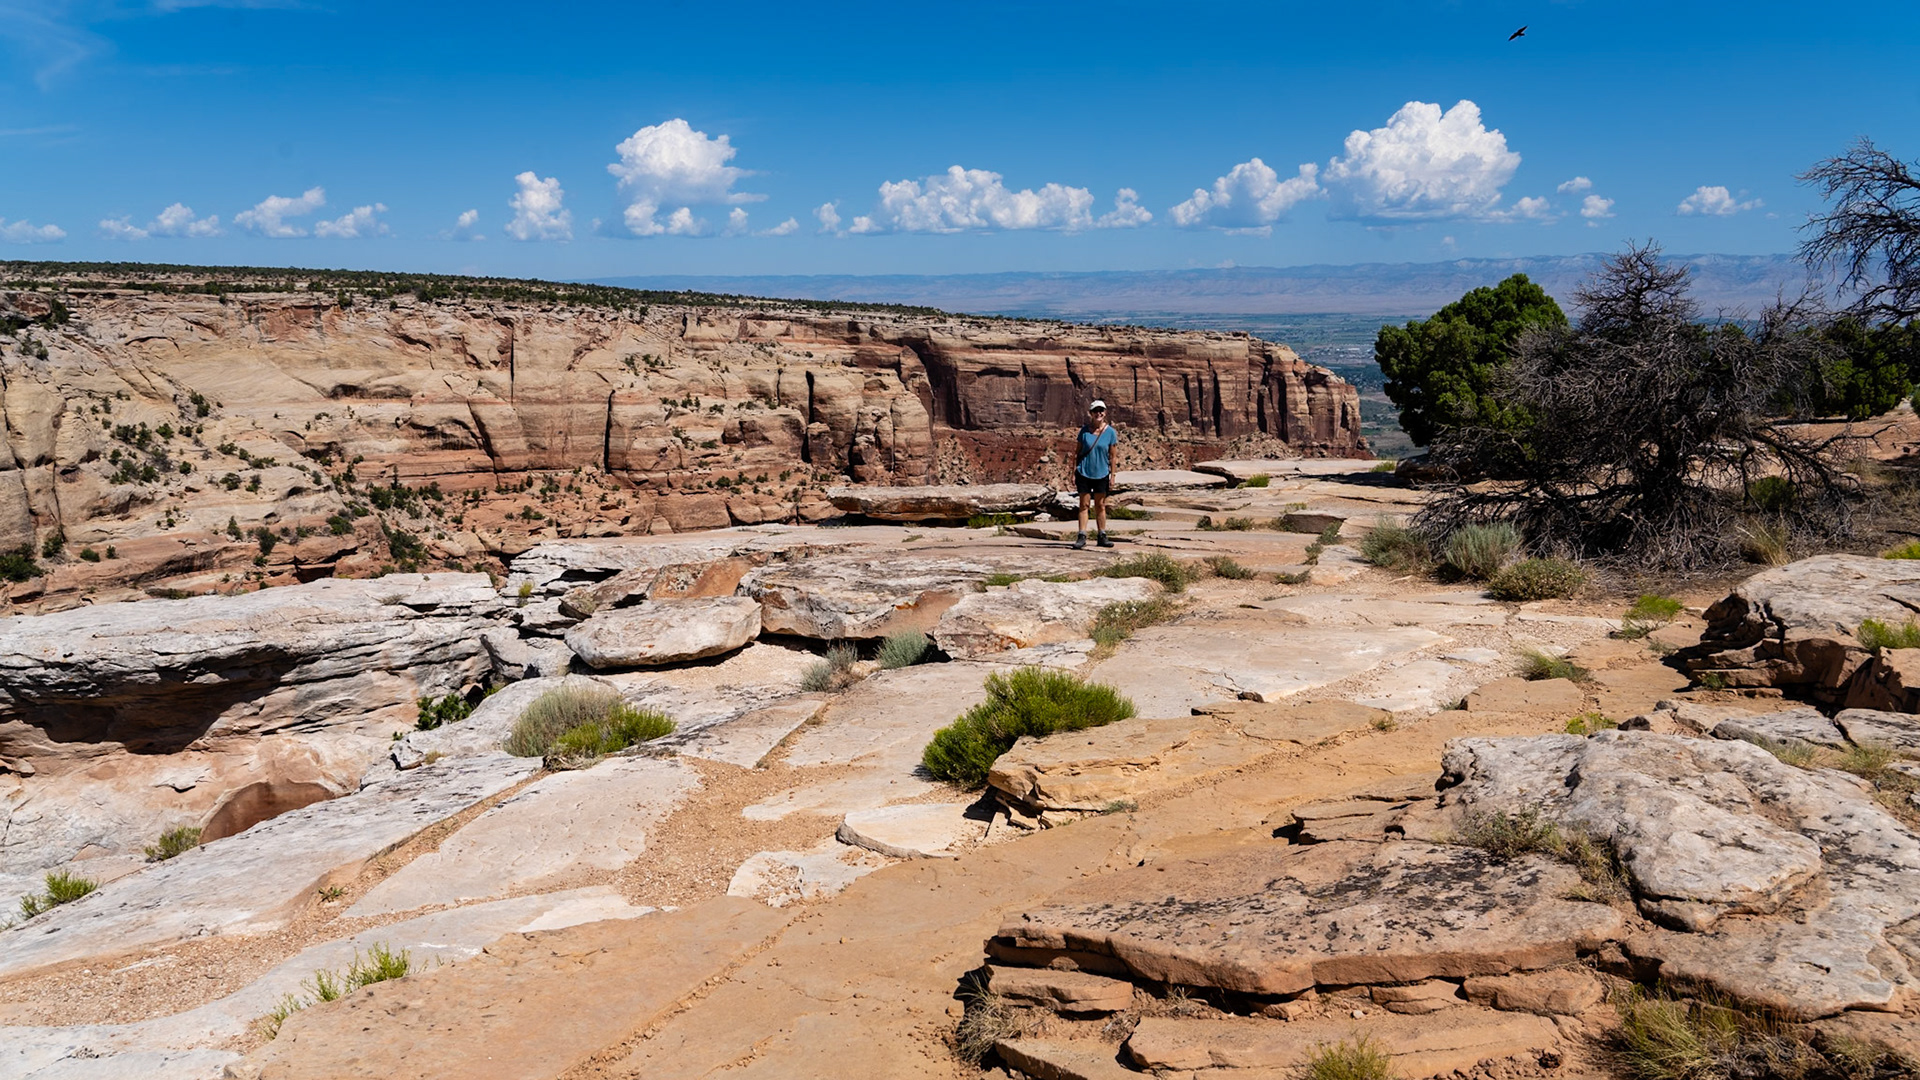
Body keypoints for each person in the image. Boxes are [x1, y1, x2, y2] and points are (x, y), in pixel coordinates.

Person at [1072, 399, 1118, 549]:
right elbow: (1077, 453)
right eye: (1095, 411)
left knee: (1100, 505)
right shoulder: (1084, 431)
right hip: (1084, 472)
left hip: (1102, 473)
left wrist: (1113, 476)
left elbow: (1113, 456)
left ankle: (1102, 535)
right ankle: (1082, 535)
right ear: (1090, 413)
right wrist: (1073, 472)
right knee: (1084, 505)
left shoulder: (1111, 432)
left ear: (1105, 413)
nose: (1099, 413)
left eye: (1101, 410)